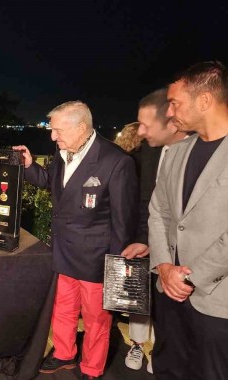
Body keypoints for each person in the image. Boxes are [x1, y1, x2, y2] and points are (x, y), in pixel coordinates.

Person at [14, 101, 137, 380]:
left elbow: (123, 220)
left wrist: (116, 267)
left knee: (96, 318)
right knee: (63, 308)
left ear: (81, 127)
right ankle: (64, 355)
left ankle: (92, 369)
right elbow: (51, 182)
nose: (52, 136)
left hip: (96, 257)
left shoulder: (116, 161)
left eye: (57, 130)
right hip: (64, 249)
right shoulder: (63, 151)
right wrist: (31, 166)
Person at [149, 61, 228, 380]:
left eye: (174, 103)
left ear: (205, 100)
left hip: (216, 302)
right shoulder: (176, 152)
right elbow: (159, 213)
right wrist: (165, 268)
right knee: (167, 370)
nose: (169, 112)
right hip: (168, 295)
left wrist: (190, 277)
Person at [119, 88, 187, 374]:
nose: (140, 132)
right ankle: (138, 344)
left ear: (171, 119)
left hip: (182, 252)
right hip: (149, 239)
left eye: (146, 124)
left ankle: (159, 351)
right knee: (140, 293)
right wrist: (142, 239)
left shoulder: (196, 152)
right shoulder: (149, 150)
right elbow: (147, 199)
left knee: (169, 305)